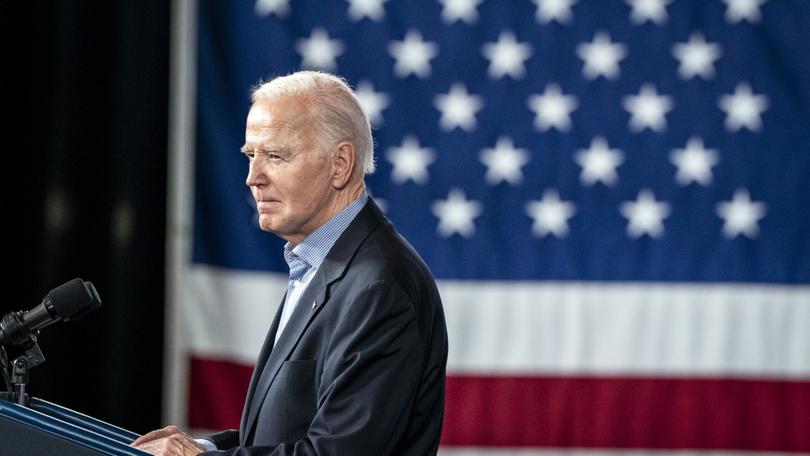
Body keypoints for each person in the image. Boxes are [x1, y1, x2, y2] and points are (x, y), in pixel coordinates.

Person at [133, 71, 448, 455]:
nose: (253, 178)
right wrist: (203, 448)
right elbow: (285, 431)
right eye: (251, 155)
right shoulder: (323, 263)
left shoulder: (378, 287)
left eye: (275, 156)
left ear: (340, 164)